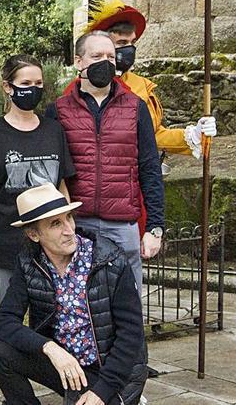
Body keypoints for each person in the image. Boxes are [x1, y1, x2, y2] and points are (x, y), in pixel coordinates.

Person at [0, 183, 147, 405]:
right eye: (55, 224)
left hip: (111, 376)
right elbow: (3, 321)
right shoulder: (30, 264)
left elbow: (132, 334)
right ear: (33, 234)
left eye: (69, 218)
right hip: (67, 367)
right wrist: (50, 349)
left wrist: (102, 392)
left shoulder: (109, 260)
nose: (69, 230)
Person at [44, 31, 164, 294]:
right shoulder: (59, 110)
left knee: (128, 307)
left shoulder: (135, 107)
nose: (106, 62)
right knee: (78, 304)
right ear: (79, 62)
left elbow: (149, 167)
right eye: (97, 56)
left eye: (111, 56)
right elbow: (51, 173)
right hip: (76, 224)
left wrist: (155, 226)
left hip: (123, 225)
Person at [0, 55, 75, 301]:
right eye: (26, 83)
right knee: (10, 318)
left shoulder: (53, 130)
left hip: (50, 243)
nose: (33, 89)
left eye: (38, 84)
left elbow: (62, 186)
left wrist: (69, 230)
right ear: (8, 86)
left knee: (53, 315)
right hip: (7, 244)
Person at [85, 0, 217, 158]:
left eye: (132, 42)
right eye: (121, 42)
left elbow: (154, 136)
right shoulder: (79, 89)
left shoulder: (140, 86)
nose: (129, 49)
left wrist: (195, 134)